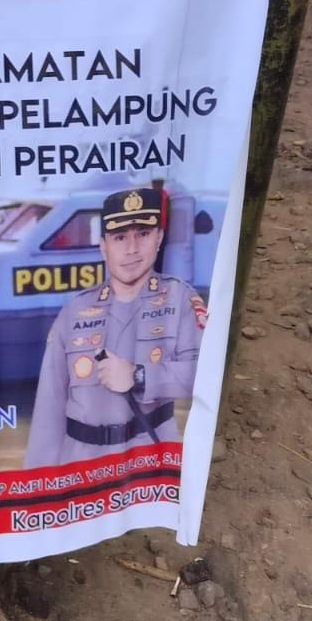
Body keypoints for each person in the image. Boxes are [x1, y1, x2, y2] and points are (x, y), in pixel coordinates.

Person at [23, 187, 205, 470]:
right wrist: (40, 482)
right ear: (104, 246)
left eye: (142, 234)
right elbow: (50, 406)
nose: (132, 248)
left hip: (151, 458)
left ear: (158, 237)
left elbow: (205, 376)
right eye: (120, 237)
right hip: (82, 462)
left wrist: (139, 376)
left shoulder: (180, 298)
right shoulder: (74, 311)